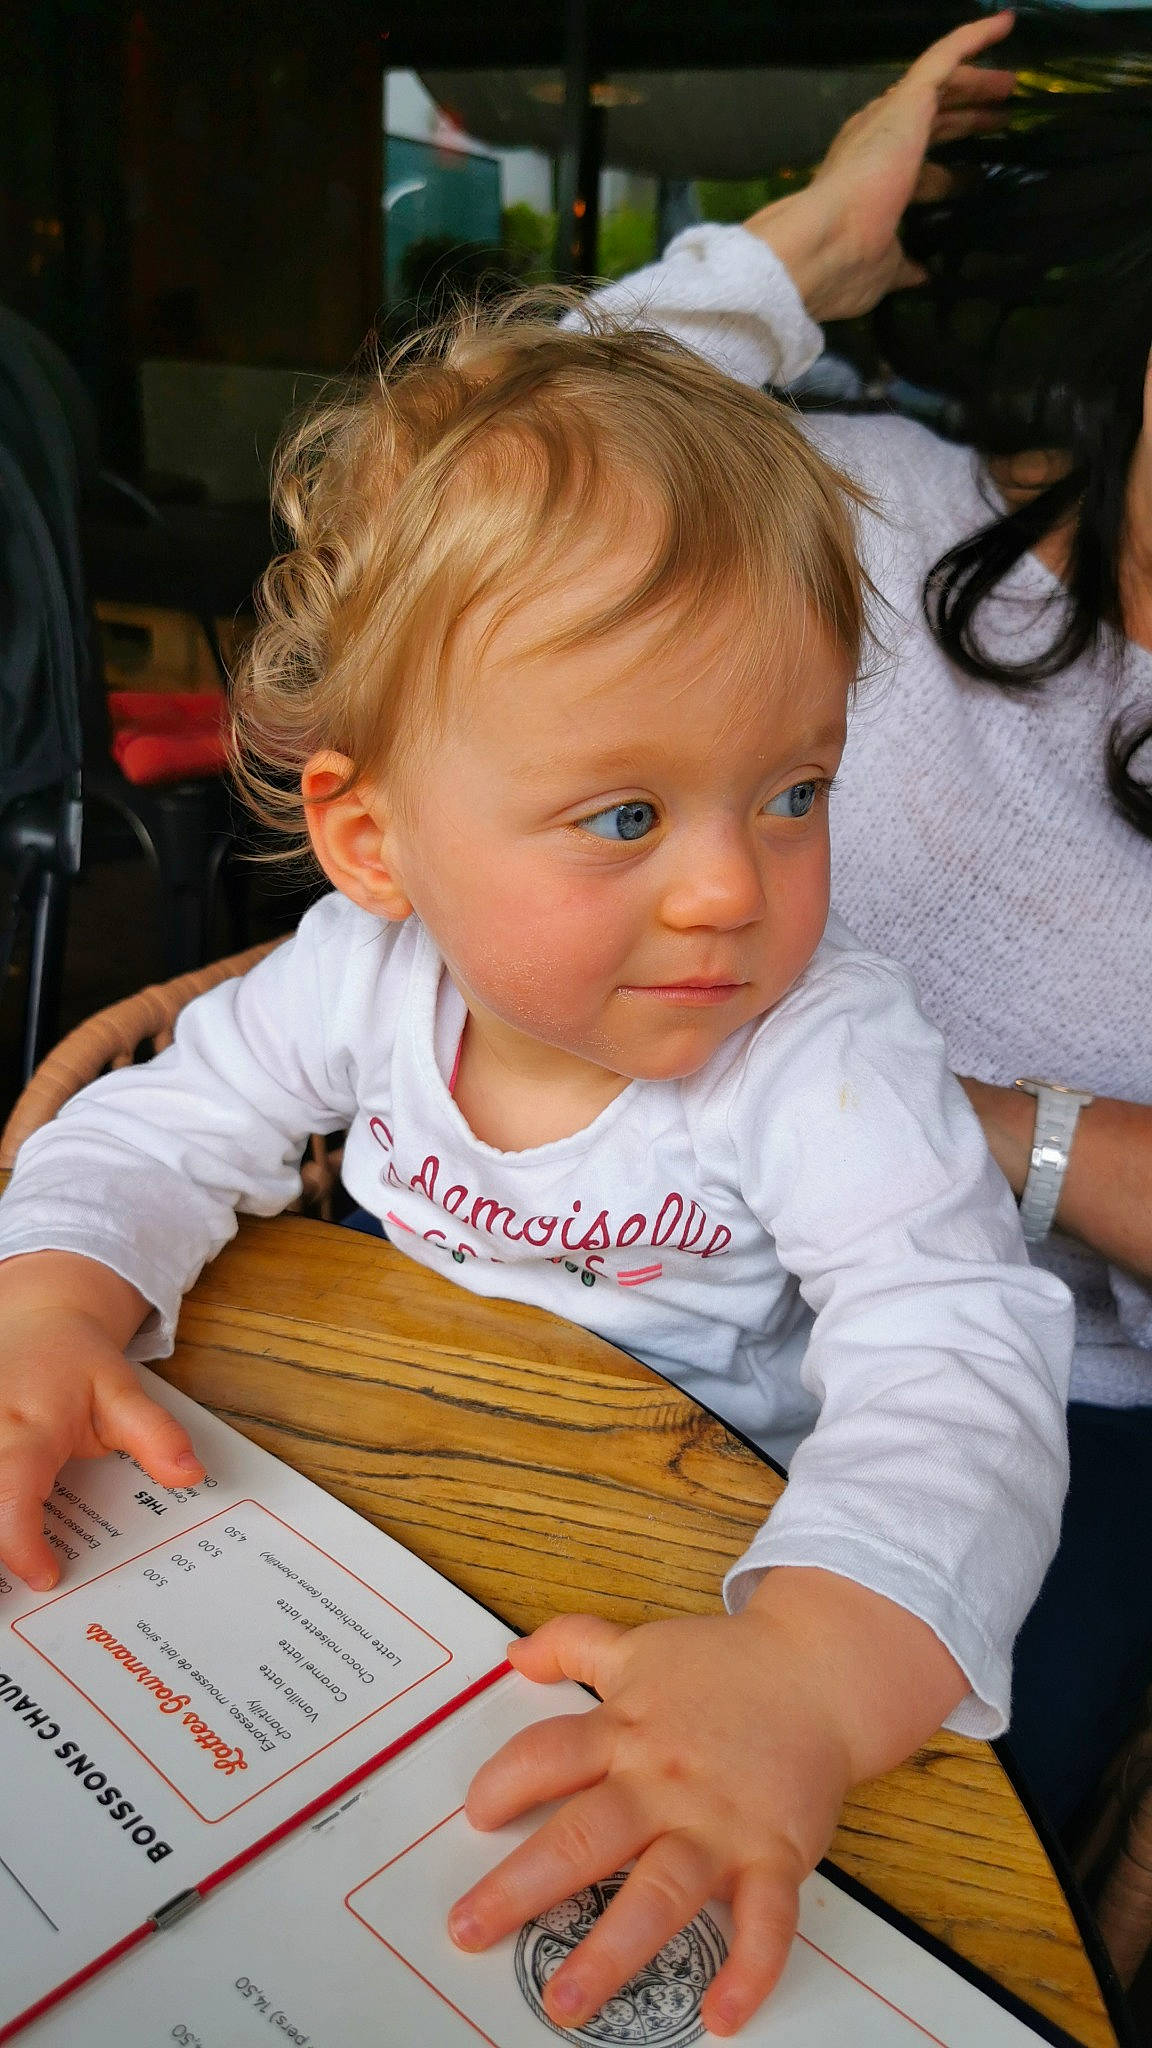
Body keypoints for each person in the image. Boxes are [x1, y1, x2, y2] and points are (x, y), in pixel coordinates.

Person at [0, 308, 1072, 2036]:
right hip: (377, 1501)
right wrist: (50, 1306)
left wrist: (811, 1669)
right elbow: (160, 1124)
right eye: (627, 816)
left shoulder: (821, 1055)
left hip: (690, 1576)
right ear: (377, 841)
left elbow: (959, 1351)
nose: (733, 891)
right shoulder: (362, 976)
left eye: (794, 792)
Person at [576, 10, 1152, 1833]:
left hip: (1049, 1408)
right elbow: (457, 520)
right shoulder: (868, 509)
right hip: (615, 1267)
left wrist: (907, 1116)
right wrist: (797, 256)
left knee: (896, 1847)